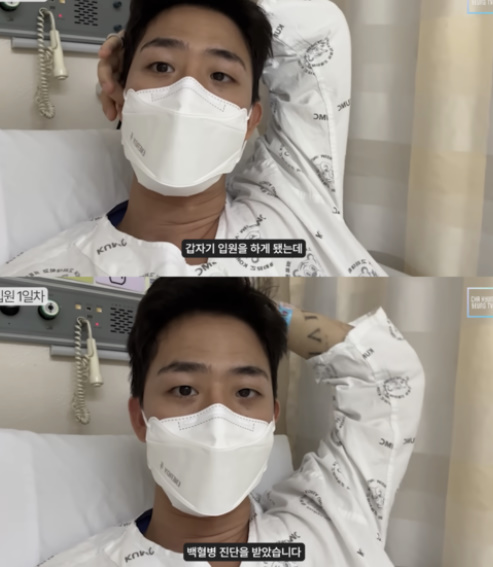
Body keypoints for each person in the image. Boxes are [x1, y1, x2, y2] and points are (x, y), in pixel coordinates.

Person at [38, 277, 425, 566]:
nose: (218, 421)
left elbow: (388, 377)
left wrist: (259, 310)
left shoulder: (334, 520)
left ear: (272, 419)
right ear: (140, 420)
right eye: (185, 389)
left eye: (245, 392)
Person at [0, 0, 388, 278]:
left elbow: (317, 34)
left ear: (249, 121)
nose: (186, 97)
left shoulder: (295, 205)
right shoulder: (43, 274)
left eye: (219, 75)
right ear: (120, 97)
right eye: (161, 66)